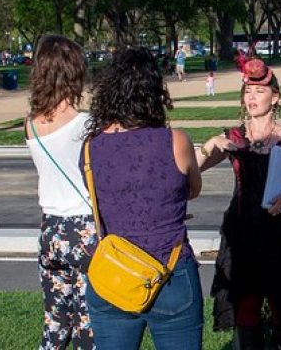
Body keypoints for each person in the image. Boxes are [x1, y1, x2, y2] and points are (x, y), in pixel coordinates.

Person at [81, 47, 203, 349]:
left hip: (113, 273)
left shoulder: (90, 147)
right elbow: (193, 189)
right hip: (171, 272)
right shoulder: (175, 141)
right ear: (155, 93)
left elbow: (99, 196)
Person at [198, 58, 281, 349]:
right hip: (242, 235)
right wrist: (209, 143)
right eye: (247, 92)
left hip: (280, 236)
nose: (251, 98)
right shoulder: (234, 138)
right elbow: (192, 169)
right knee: (245, 315)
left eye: (259, 92)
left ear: (275, 97)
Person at [26, 34, 97, 350]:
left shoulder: (30, 124)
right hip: (85, 227)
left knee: (54, 325)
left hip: (50, 228)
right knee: (88, 325)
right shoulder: (88, 124)